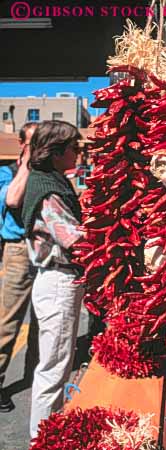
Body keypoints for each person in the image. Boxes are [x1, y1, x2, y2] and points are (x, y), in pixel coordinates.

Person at [21, 120, 84, 439]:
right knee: (53, 369)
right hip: (57, 280)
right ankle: (42, 440)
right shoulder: (48, 189)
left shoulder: (52, 180)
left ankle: (50, 436)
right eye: (75, 147)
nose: (79, 152)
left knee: (58, 364)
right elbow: (71, 237)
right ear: (56, 152)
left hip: (58, 281)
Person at [0, 122, 38, 412]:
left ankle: (35, 378)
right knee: (8, 321)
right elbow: (10, 200)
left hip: (45, 252)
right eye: (35, 142)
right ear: (22, 144)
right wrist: (26, 163)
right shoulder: (7, 173)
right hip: (18, 251)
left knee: (43, 322)